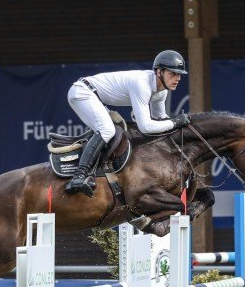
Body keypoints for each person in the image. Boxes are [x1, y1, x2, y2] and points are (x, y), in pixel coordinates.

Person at [65, 50, 191, 197]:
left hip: (94, 96)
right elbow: (146, 127)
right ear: (159, 72)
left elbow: (160, 119)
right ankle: (78, 177)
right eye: (172, 74)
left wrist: (177, 125)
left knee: (116, 131)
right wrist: (175, 122)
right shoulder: (142, 84)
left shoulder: (162, 91)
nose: (177, 78)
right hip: (82, 92)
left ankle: (99, 175)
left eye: (179, 74)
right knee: (107, 130)